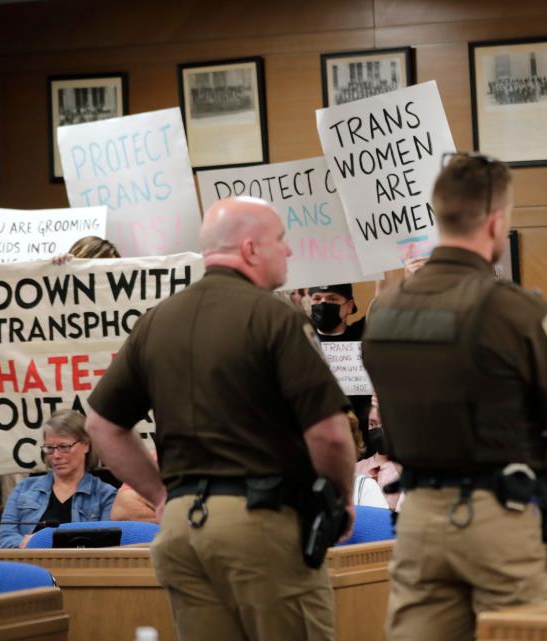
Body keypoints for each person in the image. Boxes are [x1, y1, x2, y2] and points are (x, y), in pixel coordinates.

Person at [84, 196, 356, 641]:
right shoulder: (276, 316)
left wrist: (158, 494)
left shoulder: (157, 321)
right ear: (250, 249)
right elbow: (329, 434)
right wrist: (340, 499)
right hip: (261, 526)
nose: (288, 251)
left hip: (180, 530)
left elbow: (101, 425)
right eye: (281, 240)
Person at [362, 154, 547, 641]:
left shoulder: (385, 312)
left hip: (418, 515)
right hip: (498, 515)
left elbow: (386, 419)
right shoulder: (515, 310)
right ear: (495, 221)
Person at [0, 410, 116, 548]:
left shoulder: (105, 495)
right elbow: (4, 537)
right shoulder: (23, 488)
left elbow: (108, 546)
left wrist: (43, 541)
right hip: (28, 565)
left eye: (64, 447)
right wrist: (27, 545)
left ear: (86, 445)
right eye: (49, 448)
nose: (56, 455)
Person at [308, 283, 373, 454]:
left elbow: (381, 298)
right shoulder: (301, 337)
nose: (322, 304)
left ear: (349, 306)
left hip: (362, 437)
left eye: (332, 299)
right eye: (317, 299)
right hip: (316, 436)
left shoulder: (362, 332)